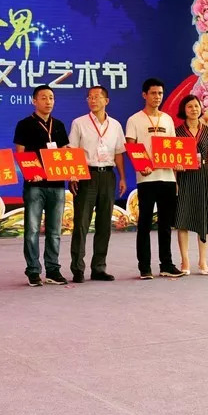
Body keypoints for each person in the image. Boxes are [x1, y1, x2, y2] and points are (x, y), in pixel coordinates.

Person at [125, 78, 185, 279]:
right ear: (144, 95)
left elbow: (174, 147)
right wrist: (141, 166)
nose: (157, 97)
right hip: (147, 178)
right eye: (153, 93)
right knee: (144, 223)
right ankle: (144, 267)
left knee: (166, 224)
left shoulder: (167, 119)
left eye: (160, 93)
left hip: (167, 177)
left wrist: (176, 169)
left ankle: (166, 264)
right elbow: (131, 147)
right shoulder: (134, 119)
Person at [68, 85, 127, 283]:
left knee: (104, 224)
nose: (92, 100)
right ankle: (77, 268)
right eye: (90, 97)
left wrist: (122, 177)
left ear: (106, 101)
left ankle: (99, 267)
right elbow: (73, 151)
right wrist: (73, 175)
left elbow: (118, 153)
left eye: (97, 97)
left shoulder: (115, 125)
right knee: (81, 224)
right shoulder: (79, 123)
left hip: (108, 175)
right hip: (86, 175)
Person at [13, 85, 70, 287]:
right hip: (35, 185)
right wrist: (31, 173)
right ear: (34, 101)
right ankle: (33, 270)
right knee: (32, 230)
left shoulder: (59, 125)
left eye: (51, 98)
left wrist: (71, 171)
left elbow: (65, 153)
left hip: (57, 185)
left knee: (55, 231)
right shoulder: (24, 124)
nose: (48, 101)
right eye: (44, 98)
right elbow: (20, 154)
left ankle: (53, 269)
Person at [173, 94, 208, 275]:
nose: (194, 109)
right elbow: (172, 156)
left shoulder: (207, 131)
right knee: (182, 219)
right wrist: (175, 176)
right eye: (190, 106)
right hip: (185, 177)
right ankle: (185, 261)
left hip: (203, 177)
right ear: (183, 110)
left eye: (196, 106)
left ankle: (203, 261)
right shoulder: (177, 132)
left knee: (203, 219)